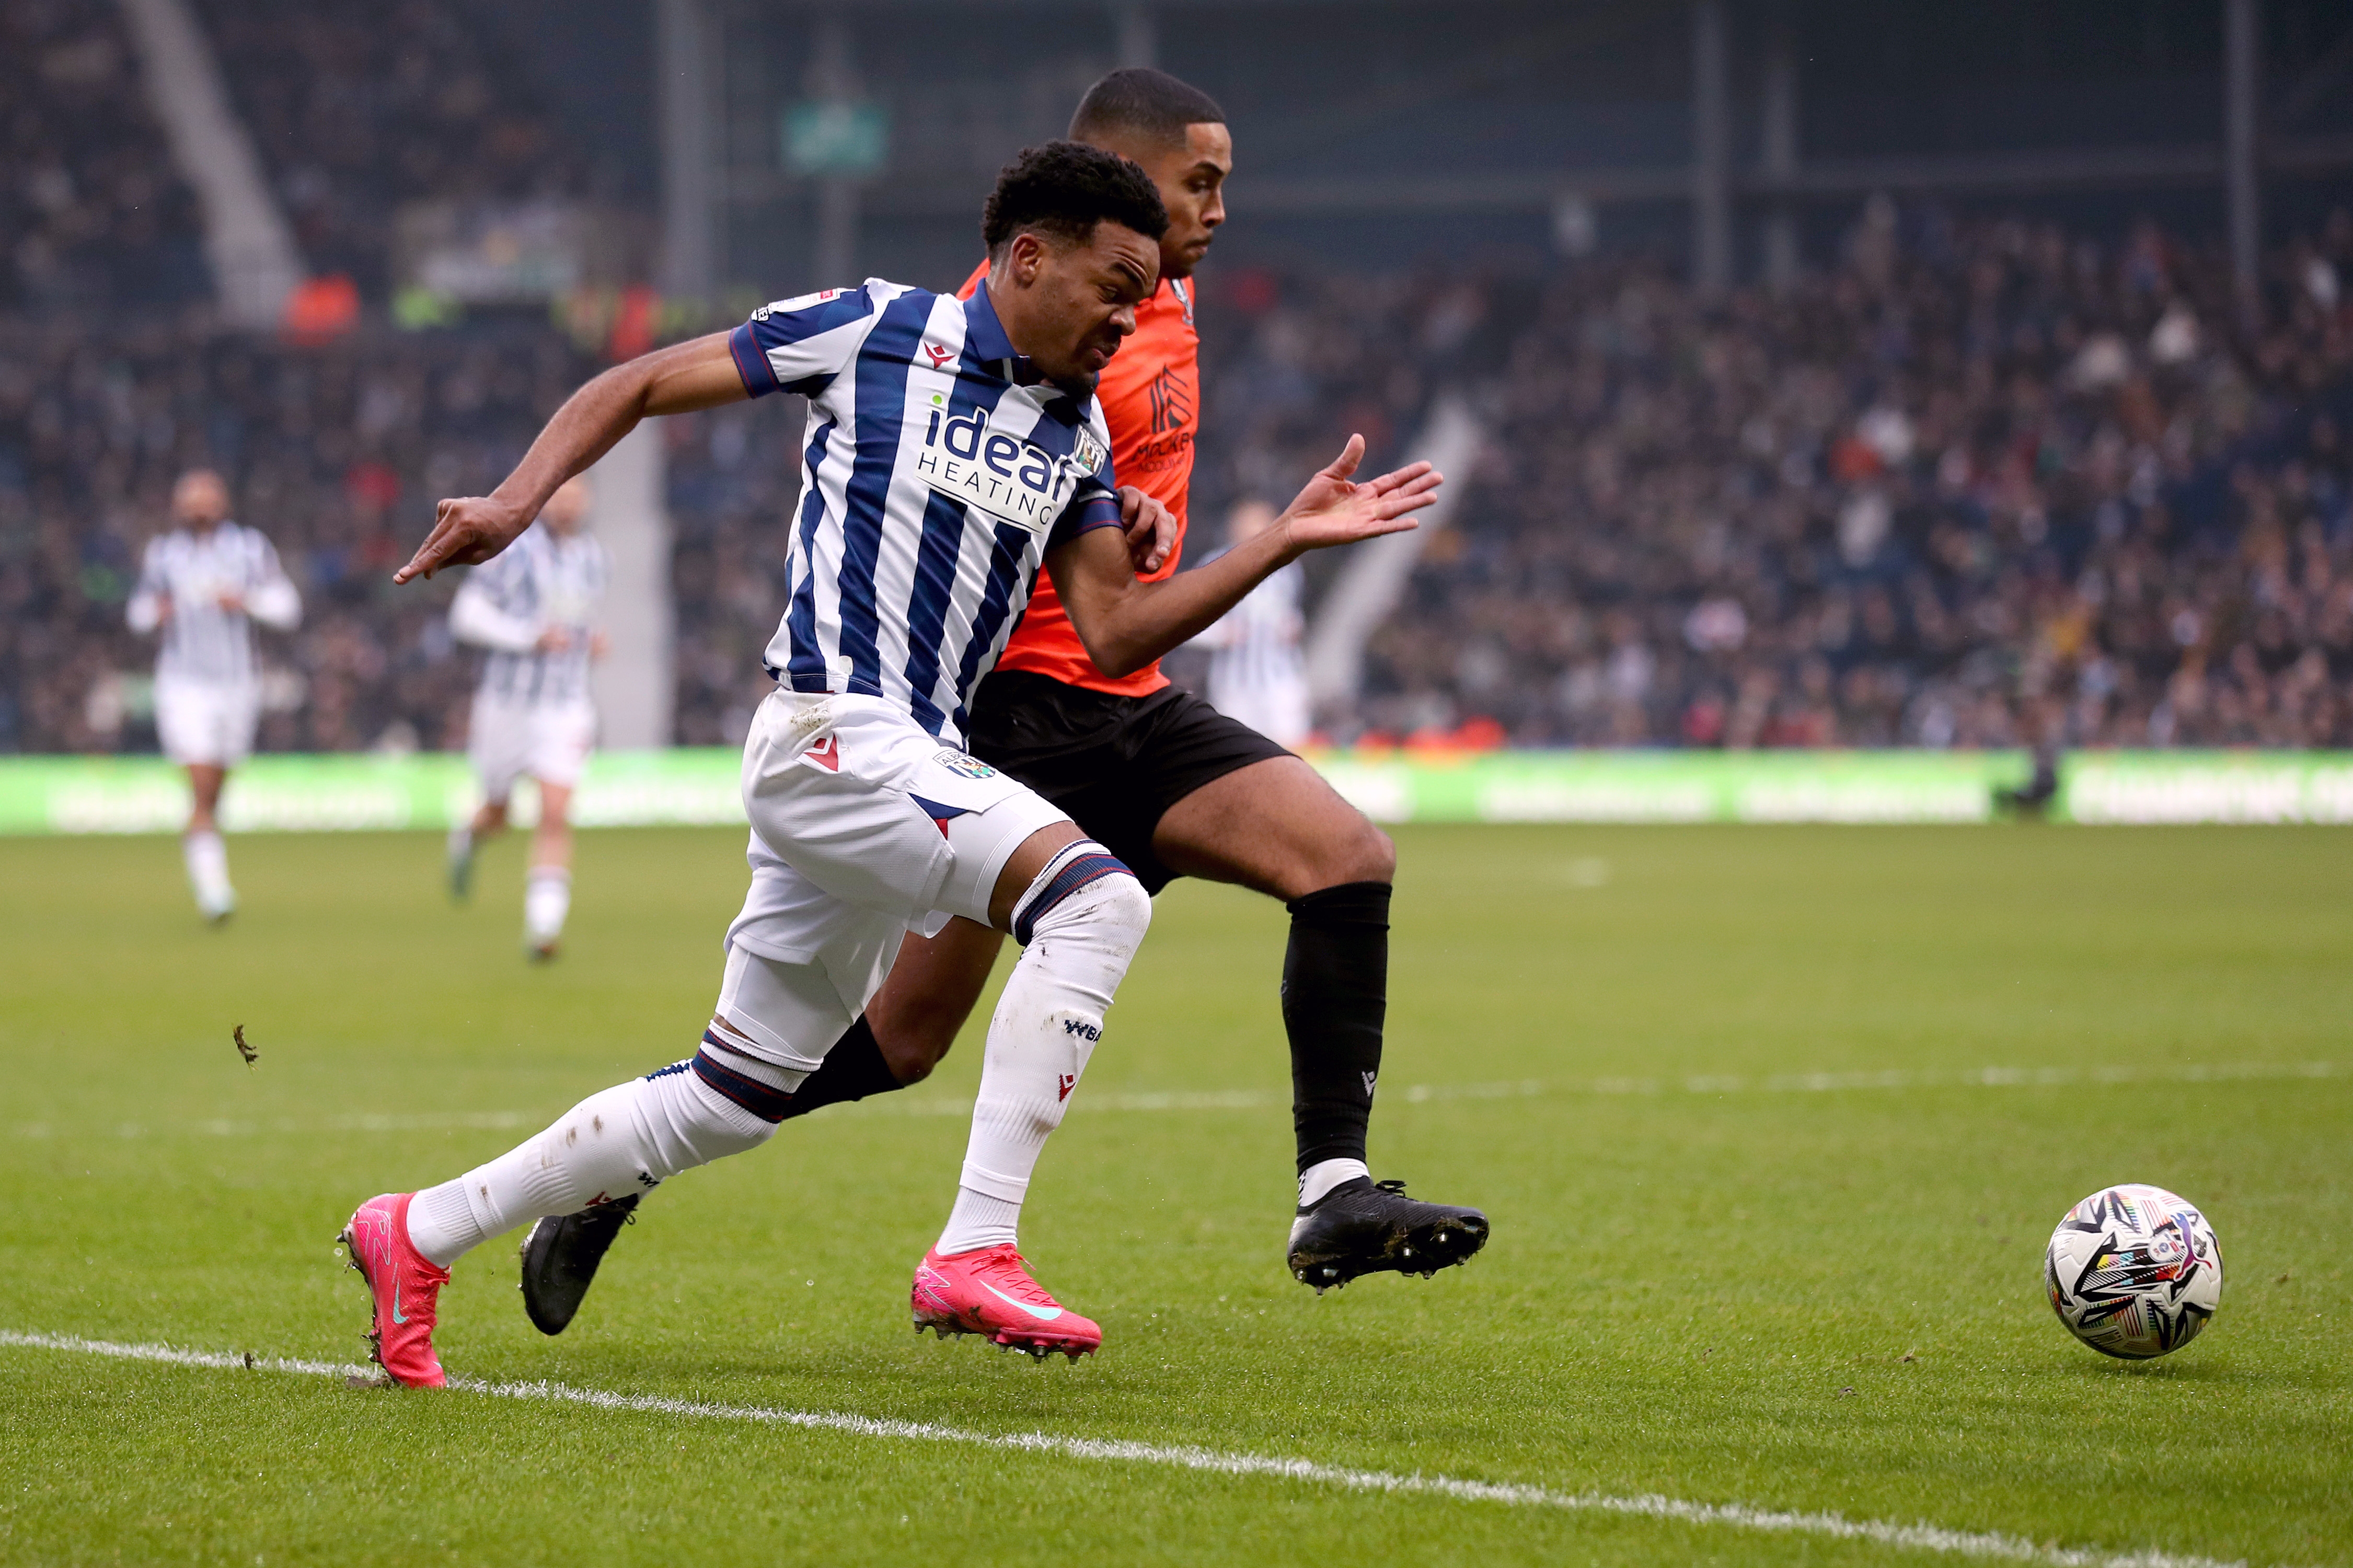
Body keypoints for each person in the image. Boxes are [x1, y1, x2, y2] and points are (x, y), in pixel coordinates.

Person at [336, 141, 1442, 1386]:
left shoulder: (1074, 433)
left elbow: (1121, 630)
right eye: (1110, 287)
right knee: (1097, 896)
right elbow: (643, 380)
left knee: (732, 1096)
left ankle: (417, 1230)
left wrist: (1283, 540)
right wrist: (515, 500)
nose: (1126, 320)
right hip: (830, 729)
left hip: (905, 757)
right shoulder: (873, 327)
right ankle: (976, 1245)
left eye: (1142, 299)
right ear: (1029, 257)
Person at [124, 469, 302, 923]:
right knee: (201, 784)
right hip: (184, 684)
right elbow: (139, 611)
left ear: (223, 503)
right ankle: (215, 893)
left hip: (238, 684)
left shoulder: (249, 548)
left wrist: (246, 602)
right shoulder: (164, 554)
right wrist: (156, 612)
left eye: (206, 498)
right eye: (191, 499)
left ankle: (207, 865)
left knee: (216, 789)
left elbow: (287, 605)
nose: (198, 507)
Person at [443, 475, 608, 959]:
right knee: (498, 814)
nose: (570, 507)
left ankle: (543, 929)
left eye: (578, 498)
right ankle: (467, 837)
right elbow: (466, 615)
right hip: (507, 704)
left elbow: (582, 619)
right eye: (562, 497)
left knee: (556, 813)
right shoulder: (513, 554)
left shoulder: (595, 559)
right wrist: (527, 636)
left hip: (567, 704)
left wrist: (594, 640)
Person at [1191, 498, 1312, 747]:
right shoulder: (1214, 563)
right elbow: (1185, 622)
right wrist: (1221, 633)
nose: (1255, 529)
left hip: (1280, 679)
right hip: (1233, 684)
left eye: (1261, 522)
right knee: (1241, 751)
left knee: (1292, 751)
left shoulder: (1288, 567)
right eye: (1248, 522)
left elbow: (1292, 614)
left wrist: (1293, 627)